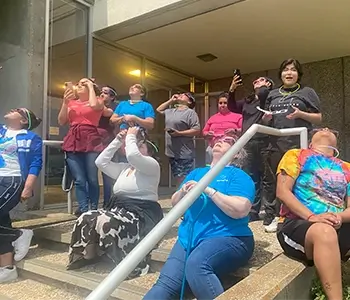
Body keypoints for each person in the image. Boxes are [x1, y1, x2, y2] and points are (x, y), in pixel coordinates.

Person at [144, 136, 255, 300]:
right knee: (165, 285)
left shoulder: (238, 176)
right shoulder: (197, 173)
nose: (220, 140)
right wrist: (183, 191)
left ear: (237, 153)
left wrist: (208, 190)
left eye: (228, 140)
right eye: (219, 138)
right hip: (188, 239)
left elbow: (240, 210)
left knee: (197, 265)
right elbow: (175, 202)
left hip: (229, 237)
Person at [67, 127, 163, 278]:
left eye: (141, 146)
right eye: (135, 145)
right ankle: (89, 255)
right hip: (119, 208)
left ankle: (122, 262)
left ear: (150, 152)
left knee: (107, 220)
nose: (135, 147)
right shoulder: (125, 168)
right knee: (87, 216)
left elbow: (133, 155)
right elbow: (101, 162)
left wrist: (131, 136)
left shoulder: (152, 165)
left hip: (140, 213)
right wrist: (118, 140)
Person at [276, 128, 350, 300]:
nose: (325, 129)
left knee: (328, 229)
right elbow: (282, 192)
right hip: (298, 224)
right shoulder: (296, 155)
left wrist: (339, 217)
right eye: (319, 129)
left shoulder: (346, 167)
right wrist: (312, 217)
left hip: (338, 225)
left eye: (330, 129)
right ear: (310, 143)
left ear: (336, 144)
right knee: (324, 232)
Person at [264, 58, 322, 232]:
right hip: (275, 142)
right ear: (280, 74)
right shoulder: (272, 94)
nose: (289, 73)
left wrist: (301, 114)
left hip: (298, 143)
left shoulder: (307, 92)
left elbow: (319, 117)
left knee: (297, 181)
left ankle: (297, 214)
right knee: (275, 180)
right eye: (285, 70)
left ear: (299, 74)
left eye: (293, 70)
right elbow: (267, 119)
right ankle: (276, 216)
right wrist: (267, 118)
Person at [0, 108, 42, 283]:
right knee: (1, 219)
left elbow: (35, 163)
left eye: (18, 110)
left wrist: (28, 186)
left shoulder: (31, 138)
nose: (12, 109)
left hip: (13, 180)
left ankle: (18, 234)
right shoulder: (1, 131)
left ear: (24, 121)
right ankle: (7, 268)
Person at [58, 78, 107, 216]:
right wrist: (65, 102)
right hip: (73, 138)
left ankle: (93, 207)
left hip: (91, 138)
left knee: (92, 177)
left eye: (83, 84)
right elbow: (61, 121)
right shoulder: (71, 103)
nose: (79, 86)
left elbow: (94, 106)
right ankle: (84, 209)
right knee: (79, 179)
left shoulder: (98, 100)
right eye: (78, 84)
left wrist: (91, 86)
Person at [228, 76, 274, 222]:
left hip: (265, 141)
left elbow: (263, 94)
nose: (257, 81)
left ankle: (269, 213)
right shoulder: (248, 101)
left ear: (269, 84)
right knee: (252, 176)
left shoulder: (268, 97)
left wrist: (264, 87)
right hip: (248, 141)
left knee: (267, 178)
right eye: (256, 80)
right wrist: (232, 89)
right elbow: (232, 107)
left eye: (262, 80)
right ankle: (253, 211)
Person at [156, 92, 200, 187]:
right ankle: (180, 196)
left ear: (189, 101)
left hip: (185, 152)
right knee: (177, 176)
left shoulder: (190, 113)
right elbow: (159, 109)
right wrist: (171, 100)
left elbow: (196, 130)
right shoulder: (171, 111)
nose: (180, 94)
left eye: (184, 95)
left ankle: (183, 198)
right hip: (172, 151)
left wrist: (179, 133)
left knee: (183, 178)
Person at [202, 92, 242, 164]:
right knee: (210, 169)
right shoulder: (212, 118)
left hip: (230, 149)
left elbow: (244, 130)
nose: (222, 105)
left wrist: (235, 131)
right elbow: (204, 132)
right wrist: (207, 134)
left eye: (225, 103)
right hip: (213, 148)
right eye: (220, 103)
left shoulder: (238, 116)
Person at [97, 85, 118, 206]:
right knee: (91, 174)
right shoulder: (95, 104)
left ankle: (108, 203)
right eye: (101, 92)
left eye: (105, 93)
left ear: (112, 97)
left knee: (108, 174)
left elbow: (106, 113)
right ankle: (90, 203)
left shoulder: (114, 107)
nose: (102, 94)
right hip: (94, 140)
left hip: (108, 141)